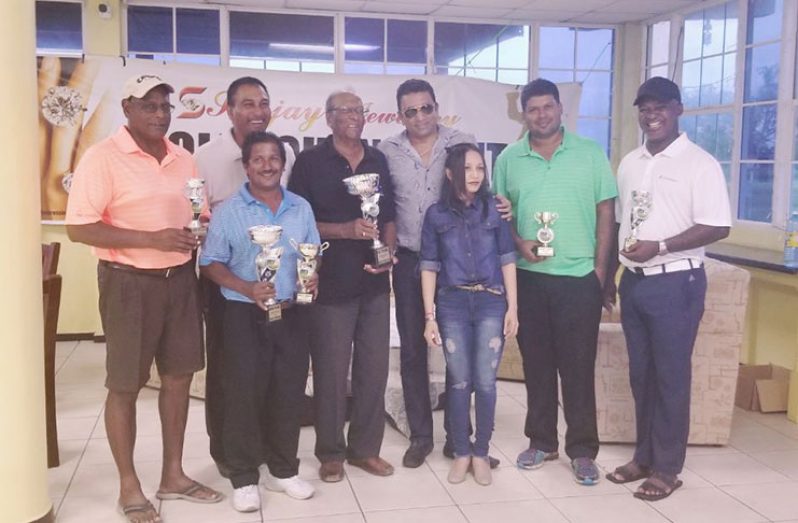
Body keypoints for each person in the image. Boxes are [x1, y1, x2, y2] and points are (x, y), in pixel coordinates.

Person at [65, 74, 223, 523]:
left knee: (178, 377)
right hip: (127, 283)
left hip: (180, 282)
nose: (159, 114)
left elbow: (200, 210)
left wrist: (201, 225)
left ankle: (173, 475)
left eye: (165, 106)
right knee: (125, 385)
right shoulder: (102, 158)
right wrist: (150, 239)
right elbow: (80, 227)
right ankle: (128, 485)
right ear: (128, 109)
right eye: (149, 106)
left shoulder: (183, 158)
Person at [605, 77, 731, 501]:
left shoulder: (700, 163)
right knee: (642, 376)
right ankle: (643, 456)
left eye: (660, 107)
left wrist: (660, 246)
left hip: (677, 282)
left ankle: (667, 468)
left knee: (671, 377)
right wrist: (610, 277)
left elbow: (718, 225)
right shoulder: (630, 162)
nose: (651, 115)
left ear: (678, 109)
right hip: (635, 283)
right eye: (644, 108)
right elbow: (623, 223)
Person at [492, 78, 617, 485]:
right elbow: (498, 217)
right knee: (538, 366)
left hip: (579, 278)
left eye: (548, 107)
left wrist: (600, 273)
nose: (541, 115)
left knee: (578, 369)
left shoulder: (590, 153)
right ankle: (542, 441)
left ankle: (583, 450)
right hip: (528, 280)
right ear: (523, 114)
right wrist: (518, 242)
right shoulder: (510, 158)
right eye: (533, 109)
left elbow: (605, 214)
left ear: (560, 109)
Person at [378, 79, 505, 469]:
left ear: (437, 108)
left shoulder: (460, 140)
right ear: (401, 115)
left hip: (455, 265)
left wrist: (502, 206)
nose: (420, 117)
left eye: (426, 108)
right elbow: (384, 206)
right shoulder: (388, 150)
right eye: (410, 111)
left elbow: (480, 192)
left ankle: (458, 439)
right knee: (414, 352)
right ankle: (420, 437)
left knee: (459, 357)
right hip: (409, 261)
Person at [200, 131, 319, 512]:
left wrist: (313, 274)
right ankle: (244, 476)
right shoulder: (229, 210)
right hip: (243, 313)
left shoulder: (301, 207)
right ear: (247, 166)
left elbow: (312, 252)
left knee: (288, 392)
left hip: (291, 311)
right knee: (243, 394)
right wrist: (246, 287)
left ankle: (283, 471)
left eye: (274, 158)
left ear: (283, 164)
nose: (267, 165)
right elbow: (210, 263)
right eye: (259, 159)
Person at [288, 90, 397, 483]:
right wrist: (345, 230)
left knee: (374, 371)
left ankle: (365, 450)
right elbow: (298, 222)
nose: (353, 116)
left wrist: (387, 249)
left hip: (373, 283)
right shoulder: (310, 162)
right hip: (330, 283)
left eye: (359, 110)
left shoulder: (377, 159)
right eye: (344, 111)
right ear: (329, 118)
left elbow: (389, 215)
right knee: (332, 374)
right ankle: (331, 452)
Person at [194, 76, 295, 478]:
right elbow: (194, 216)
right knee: (227, 372)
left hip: (274, 287)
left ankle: (269, 447)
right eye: (247, 103)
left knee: (270, 370)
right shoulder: (206, 156)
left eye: (263, 103)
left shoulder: (282, 150)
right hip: (227, 285)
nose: (257, 111)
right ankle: (228, 452)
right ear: (229, 109)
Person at [420, 143, 518, 486]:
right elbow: (429, 267)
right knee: (460, 381)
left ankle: (481, 453)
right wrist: (429, 316)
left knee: (487, 382)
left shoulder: (495, 209)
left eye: (480, 168)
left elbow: (508, 259)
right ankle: (461, 451)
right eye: (467, 168)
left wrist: (513, 308)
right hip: (452, 305)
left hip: (492, 302)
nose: (475, 175)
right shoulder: (436, 215)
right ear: (450, 174)